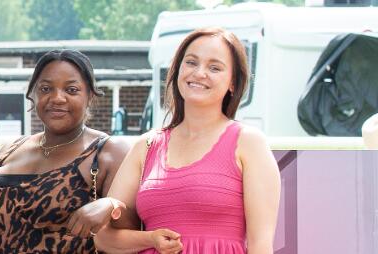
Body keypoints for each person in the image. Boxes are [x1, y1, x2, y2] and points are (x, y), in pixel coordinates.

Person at [96, 27, 281, 254]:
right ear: (178, 69)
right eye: (191, 62)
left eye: (214, 67)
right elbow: (103, 238)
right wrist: (150, 239)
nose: (199, 73)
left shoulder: (249, 143)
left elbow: (261, 246)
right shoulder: (146, 146)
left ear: (233, 83)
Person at [0, 50, 131, 253]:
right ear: (33, 94)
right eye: (45, 88)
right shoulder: (9, 150)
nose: (57, 98)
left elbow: (132, 232)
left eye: (71, 89)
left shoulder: (107, 152)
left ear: (90, 96)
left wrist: (112, 206)